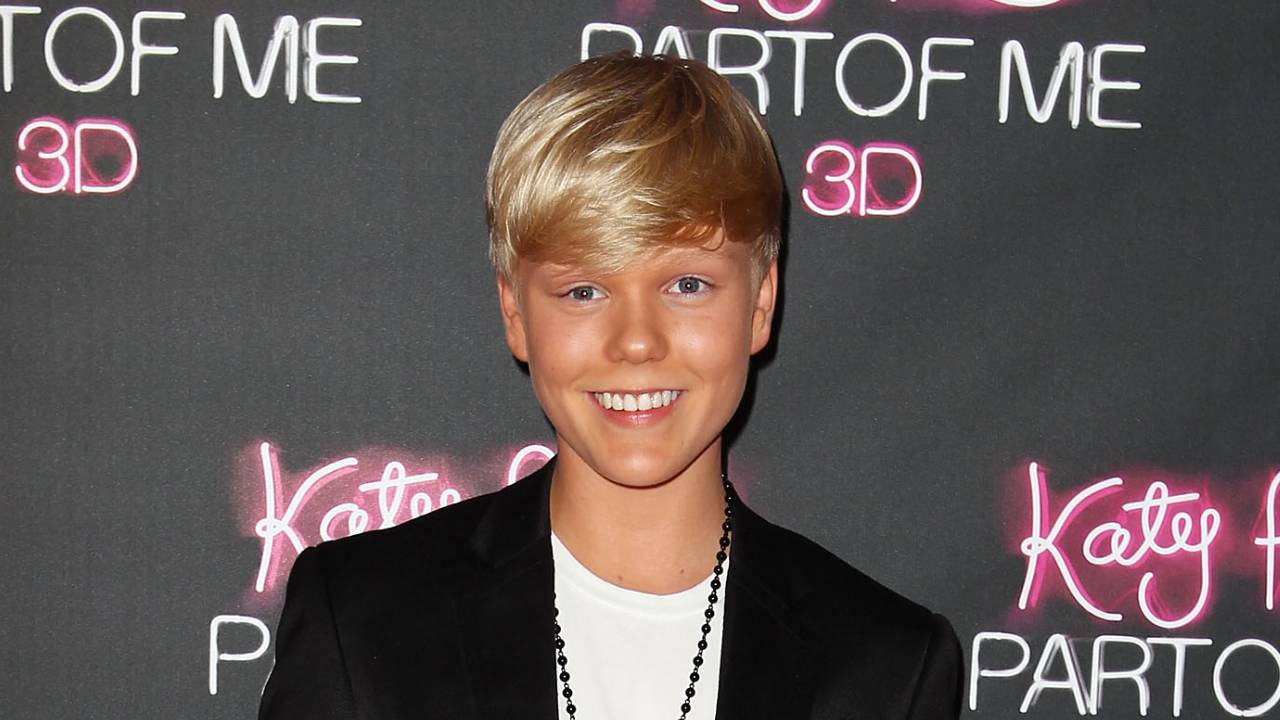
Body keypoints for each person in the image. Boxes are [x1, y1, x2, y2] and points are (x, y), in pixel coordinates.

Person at [258, 52, 962, 720]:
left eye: (688, 285)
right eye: (585, 290)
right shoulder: (362, 618)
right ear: (515, 314)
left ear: (760, 303)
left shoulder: (887, 667)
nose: (636, 342)